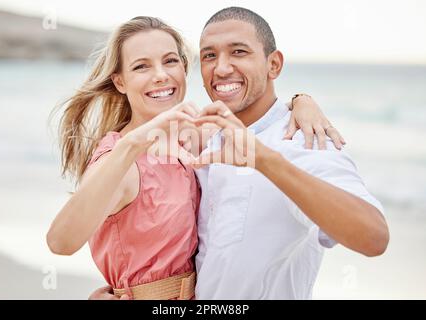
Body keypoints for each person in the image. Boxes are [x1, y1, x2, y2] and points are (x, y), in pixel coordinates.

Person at [46, 16, 345, 300]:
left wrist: (301, 102)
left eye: (170, 60)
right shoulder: (119, 159)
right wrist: (133, 144)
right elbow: (61, 241)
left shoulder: (193, 134)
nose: (161, 75)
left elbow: (259, 114)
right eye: (141, 67)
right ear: (120, 82)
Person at [188, 7, 389, 299]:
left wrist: (266, 160)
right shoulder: (207, 138)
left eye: (239, 52)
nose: (220, 68)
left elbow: (374, 236)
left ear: (274, 65)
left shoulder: (304, 140)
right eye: (209, 56)